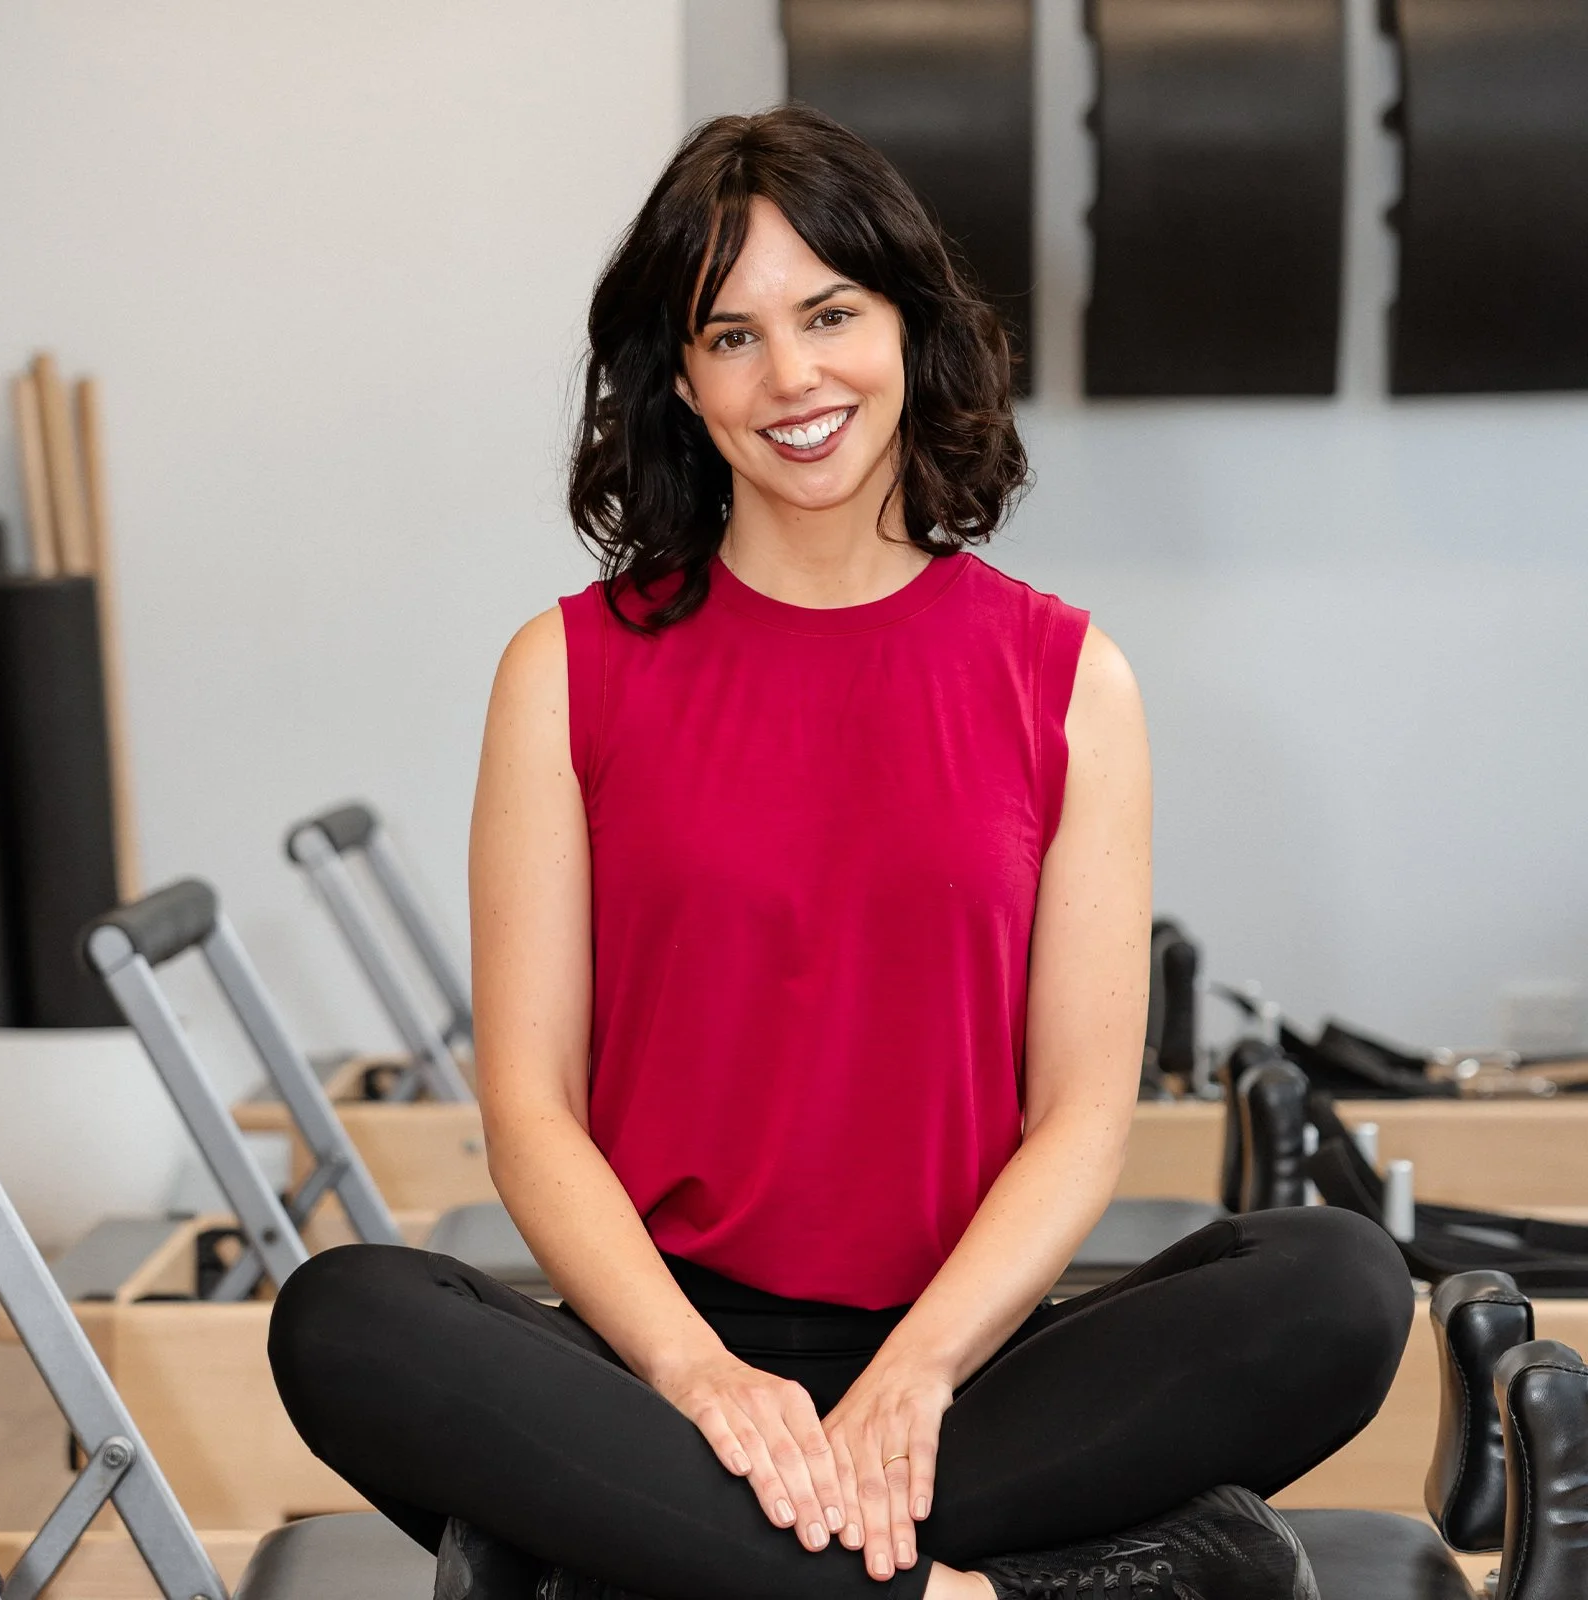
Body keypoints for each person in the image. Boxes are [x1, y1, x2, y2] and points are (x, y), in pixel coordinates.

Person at [267, 106, 1413, 1600]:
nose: (792, 376)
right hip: (656, 1364)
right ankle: (944, 1589)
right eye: (730, 336)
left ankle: (678, 1563)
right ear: (678, 379)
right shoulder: (563, 670)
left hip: (968, 1368)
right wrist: (699, 1381)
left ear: (910, 330)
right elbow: (532, 1112)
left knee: (1338, 1286)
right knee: (343, 1316)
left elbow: (1080, 1114)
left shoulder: (1070, 678)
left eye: (830, 315)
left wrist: (920, 1376)